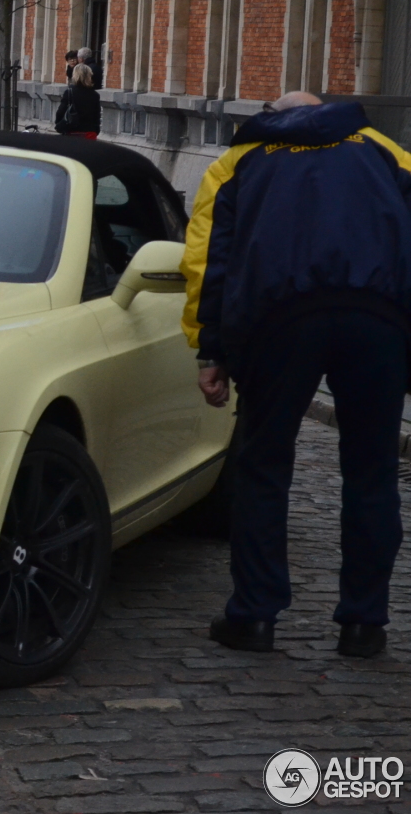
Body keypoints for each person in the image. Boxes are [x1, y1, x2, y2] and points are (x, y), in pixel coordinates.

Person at [181, 92, 411, 659]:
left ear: (271, 114)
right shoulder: (385, 151)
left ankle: (254, 616)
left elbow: (209, 260)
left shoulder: (238, 162)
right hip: (376, 318)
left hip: (278, 321)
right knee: (373, 470)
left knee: (262, 466)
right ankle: (364, 624)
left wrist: (210, 351)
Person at [54, 64, 100, 138]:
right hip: (89, 133)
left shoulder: (69, 92)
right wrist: (95, 130)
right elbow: (96, 116)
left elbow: (61, 111)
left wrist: (59, 124)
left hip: (72, 131)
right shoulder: (95, 95)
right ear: (89, 76)